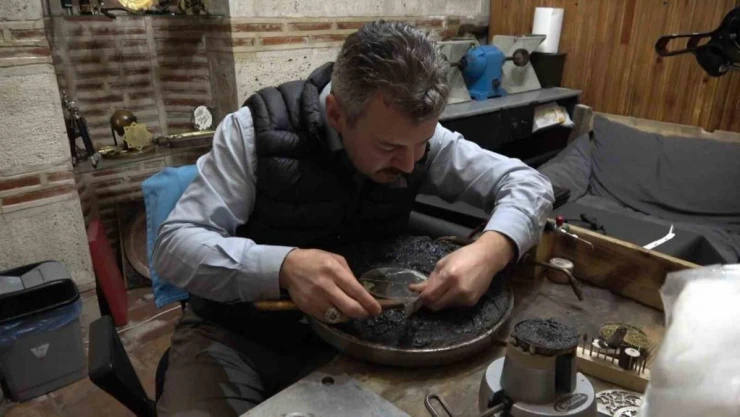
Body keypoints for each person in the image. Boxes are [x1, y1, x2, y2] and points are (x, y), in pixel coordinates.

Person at [152, 20, 554, 417]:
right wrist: (283, 268)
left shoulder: (412, 139)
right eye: (389, 147)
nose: (410, 163)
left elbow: (530, 185)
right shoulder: (253, 132)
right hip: (235, 334)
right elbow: (173, 248)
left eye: (421, 144)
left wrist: (492, 249)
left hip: (348, 339)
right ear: (336, 114)